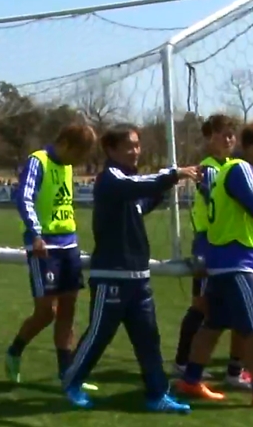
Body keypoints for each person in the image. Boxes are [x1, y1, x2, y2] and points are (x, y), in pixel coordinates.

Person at [62, 124, 196, 412]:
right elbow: (138, 186)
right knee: (99, 336)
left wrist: (164, 189)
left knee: (148, 340)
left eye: (137, 145)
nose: (135, 151)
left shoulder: (127, 185)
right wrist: (172, 175)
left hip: (138, 278)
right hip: (112, 275)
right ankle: (71, 382)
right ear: (111, 150)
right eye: (129, 146)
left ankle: (157, 395)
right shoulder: (110, 179)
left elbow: (142, 201)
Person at [175, 120, 253, 411]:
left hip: (225, 261)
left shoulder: (233, 169)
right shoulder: (239, 169)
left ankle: (191, 379)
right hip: (235, 263)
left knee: (214, 324)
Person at [6, 123, 96, 387]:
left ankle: (67, 373)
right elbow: (24, 198)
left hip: (68, 243)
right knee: (47, 312)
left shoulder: (67, 166)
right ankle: (14, 351)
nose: (79, 161)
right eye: (78, 154)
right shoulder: (38, 161)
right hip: (44, 245)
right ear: (65, 144)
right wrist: (35, 234)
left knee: (68, 310)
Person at [173, 114, 253, 387]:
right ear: (209, 138)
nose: (229, 139)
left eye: (232, 134)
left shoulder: (232, 166)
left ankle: (231, 366)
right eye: (222, 134)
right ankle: (183, 361)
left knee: (217, 307)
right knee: (202, 305)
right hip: (208, 242)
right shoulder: (208, 169)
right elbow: (215, 201)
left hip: (224, 242)